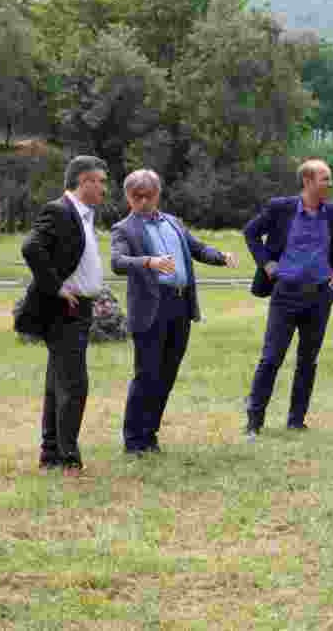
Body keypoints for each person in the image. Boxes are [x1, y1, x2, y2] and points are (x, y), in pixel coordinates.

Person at [110, 169, 239, 455]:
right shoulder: (124, 229)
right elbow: (117, 262)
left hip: (180, 306)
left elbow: (197, 248)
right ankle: (134, 441)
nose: (143, 202)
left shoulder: (174, 222)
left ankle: (150, 435)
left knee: (167, 373)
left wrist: (221, 257)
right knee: (147, 375)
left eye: (149, 196)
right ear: (128, 197)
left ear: (158, 195)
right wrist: (149, 262)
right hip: (150, 309)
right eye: (137, 197)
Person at [242, 159, 333, 439]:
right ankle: (254, 422)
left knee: (308, 360)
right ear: (308, 181)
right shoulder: (281, 208)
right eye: (325, 179)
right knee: (271, 358)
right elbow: (251, 232)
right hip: (285, 294)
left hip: (320, 296)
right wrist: (267, 264)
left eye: (330, 178)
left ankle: (296, 420)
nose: (330, 184)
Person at [17, 156, 109, 477]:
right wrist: (57, 288)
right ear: (84, 181)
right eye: (100, 181)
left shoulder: (82, 215)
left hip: (79, 308)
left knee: (58, 385)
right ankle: (67, 458)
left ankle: (51, 454)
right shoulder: (60, 210)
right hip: (64, 310)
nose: (104, 188)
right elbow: (31, 248)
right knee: (74, 385)